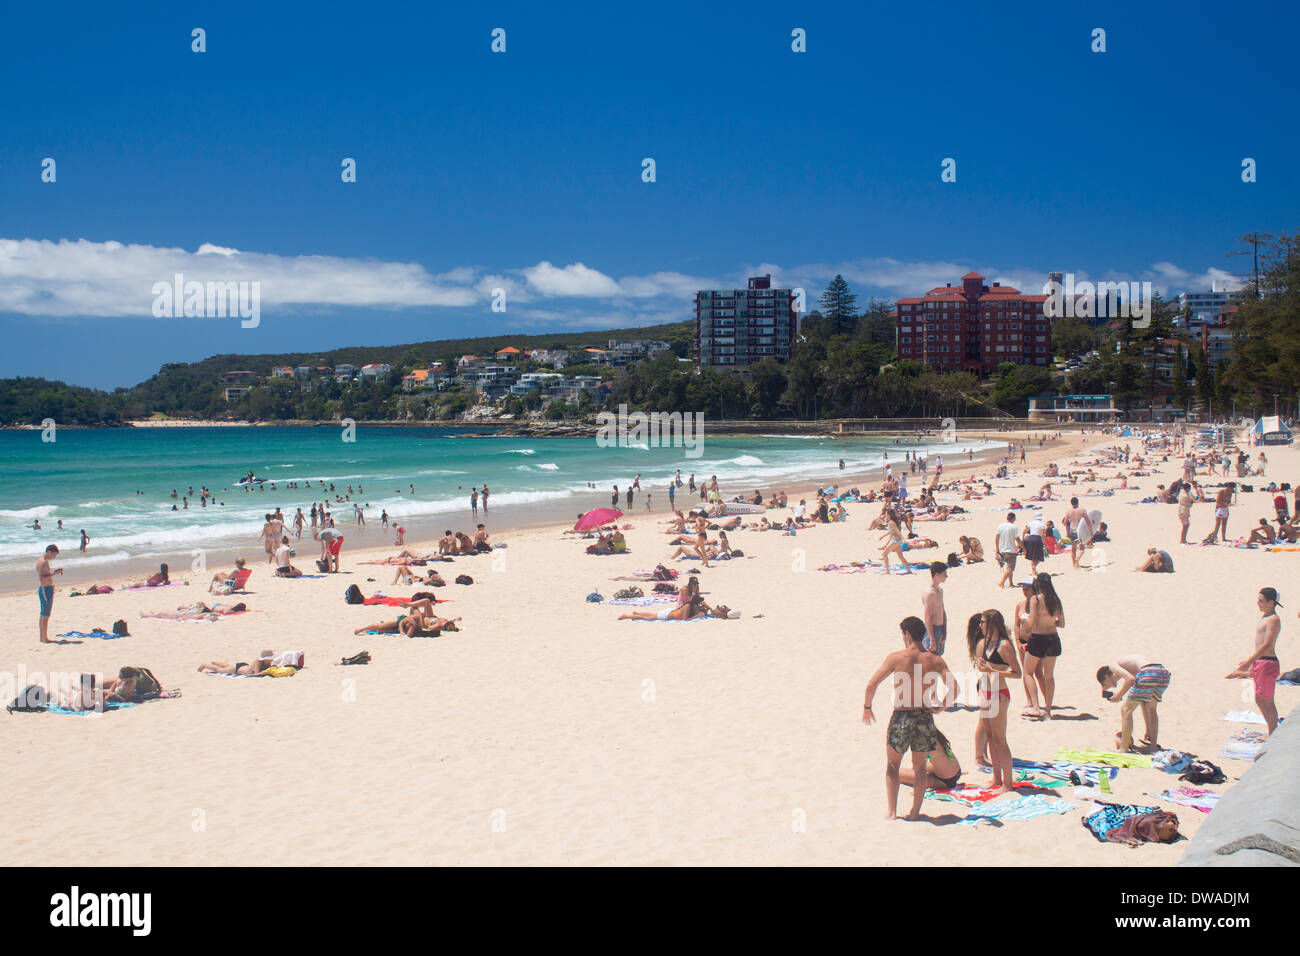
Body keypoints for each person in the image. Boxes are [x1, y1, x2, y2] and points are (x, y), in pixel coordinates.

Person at [861, 616, 957, 821]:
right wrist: (940, 707)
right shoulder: (935, 660)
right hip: (924, 717)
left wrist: (867, 707)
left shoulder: (896, 658)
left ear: (907, 635)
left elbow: (871, 685)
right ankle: (915, 812)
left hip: (901, 716)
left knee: (893, 765)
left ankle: (892, 812)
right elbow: (955, 688)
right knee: (920, 767)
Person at [971, 609, 1020, 793]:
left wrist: (993, 669)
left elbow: (1017, 673)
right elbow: (981, 668)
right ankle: (996, 778)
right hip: (985, 690)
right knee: (990, 737)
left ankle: (1007, 783)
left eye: (983, 622)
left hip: (999, 692)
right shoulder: (982, 644)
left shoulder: (1004, 646)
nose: (981, 625)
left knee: (1000, 739)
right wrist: (984, 667)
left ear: (993, 624)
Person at [1225, 588, 1283, 734]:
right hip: (1261, 662)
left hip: (1268, 662)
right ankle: (1273, 730)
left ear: (1271, 603)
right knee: (1259, 699)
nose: (1258, 603)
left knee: (1268, 701)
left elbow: (1267, 645)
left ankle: (1273, 732)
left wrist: (1248, 662)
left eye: (1261, 601)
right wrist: (1251, 661)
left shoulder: (1274, 620)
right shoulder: (1264, 617)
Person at [1098, 656, 1171, 752]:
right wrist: (1148, 729)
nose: (1109, 687)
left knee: (1125, 711)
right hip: (1163, 673)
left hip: (1148, 671)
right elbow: (1143, 703)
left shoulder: (1113, 665)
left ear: (1106, 677)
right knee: (1151, 708)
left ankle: (1123, 749)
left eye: (1105, 684)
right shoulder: (1131, 669)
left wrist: (1119, 696)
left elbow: (1130, 679)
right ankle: (1153, 746)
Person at [1023, 573, 1065, 720]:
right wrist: (1050, 621)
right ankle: (1048, 710)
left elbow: (1033, 622)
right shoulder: (1056, 600)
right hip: (1053, 638)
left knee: (1028, 673)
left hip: (1038, 639)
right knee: (1049, 676)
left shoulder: (1036, 599)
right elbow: (1062, 623)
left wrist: (1025, 619)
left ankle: (1035, 706)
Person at [36, 544, 63, 644]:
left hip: (47, 588)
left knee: (44, 614)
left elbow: (45, 575)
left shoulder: (43, 561)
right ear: (49, 552)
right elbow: (42, 577)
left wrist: (53, 573)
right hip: (45, 588)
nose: (54, 557)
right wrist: (55, 573)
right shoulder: (43, 562)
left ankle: (42, 637)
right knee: (45, 615)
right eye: (54, 555)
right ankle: (44, 638)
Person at [921, 562, 947, 655]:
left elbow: (942, 611)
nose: (946, 576)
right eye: (944, 574)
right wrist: (932, 639)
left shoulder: (940, 590)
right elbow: (927, 616)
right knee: (930, 657)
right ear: (937, 575)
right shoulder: (930, 593)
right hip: (932, 629)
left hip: (939, 628)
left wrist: (945, 630)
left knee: (938, 656)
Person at [1063, 497, 1093, 569]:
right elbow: (1088, 521)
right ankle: (1077, 560)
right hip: (1080, 531)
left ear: (1071, 503)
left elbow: (1065, 523)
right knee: (1082, 548)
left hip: (1072, 531)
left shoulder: (1068, 512)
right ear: (1078, 502)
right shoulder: (1082, 511)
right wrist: (1091, 531)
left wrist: (1067, 531)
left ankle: (1074, 564)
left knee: (1073, 549)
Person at [995, 513, 1019, 588]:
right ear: (1013, 518)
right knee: (1011, 568)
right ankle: (1002, 582)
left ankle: (1011, 583)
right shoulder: (1014, 527)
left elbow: (996, 537)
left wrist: (997, 549)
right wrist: (1024, 548)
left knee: (1008, 567)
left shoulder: (1000, 526)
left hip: (1002, 550)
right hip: (1011, 550)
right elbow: (1017, 539)